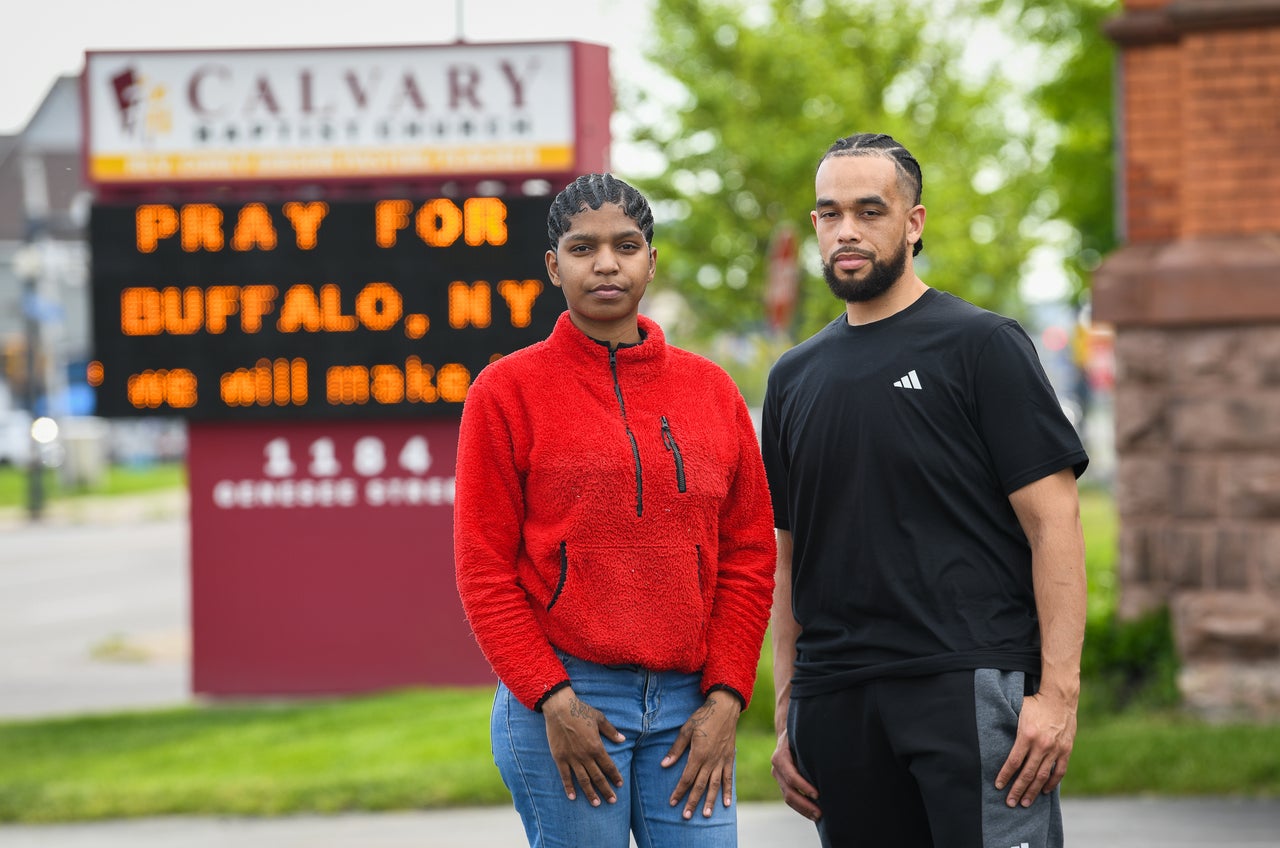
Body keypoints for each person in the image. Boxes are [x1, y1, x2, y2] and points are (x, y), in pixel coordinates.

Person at [762, 133, 1089, 848]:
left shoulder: (983, 346)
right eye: (828, 213)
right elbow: (786, 558)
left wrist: (1056, 698)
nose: (846, 229)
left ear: (913, 223)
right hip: (837, 702)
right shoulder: (792, 378)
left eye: (869, 210)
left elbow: (1054, 524)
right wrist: (788, 713)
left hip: (966, 686)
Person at [454, 173, 777, 848]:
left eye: (626, 245)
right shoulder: (505, 391)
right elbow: (485, 571)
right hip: (567, 697)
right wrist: (552, 697)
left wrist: (726, 697)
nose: (606, 263)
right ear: (553, 265)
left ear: (651, 260)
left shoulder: (711, 390)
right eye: (582, 248)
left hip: (692, 704)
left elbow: (749, 557)